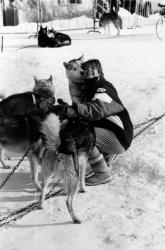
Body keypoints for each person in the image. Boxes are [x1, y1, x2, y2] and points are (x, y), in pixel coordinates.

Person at [57, 59, 133, 186]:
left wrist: (75, 109)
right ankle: (105, 158)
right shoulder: (89, 89)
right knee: (77, 128)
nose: (89, 70)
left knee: (81, 136)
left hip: (120, 137)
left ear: (100, 71)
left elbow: (95, 109)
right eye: (87, 69)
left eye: (94, 68)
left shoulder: (103, 88)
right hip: (113, 133)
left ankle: (103, 173)